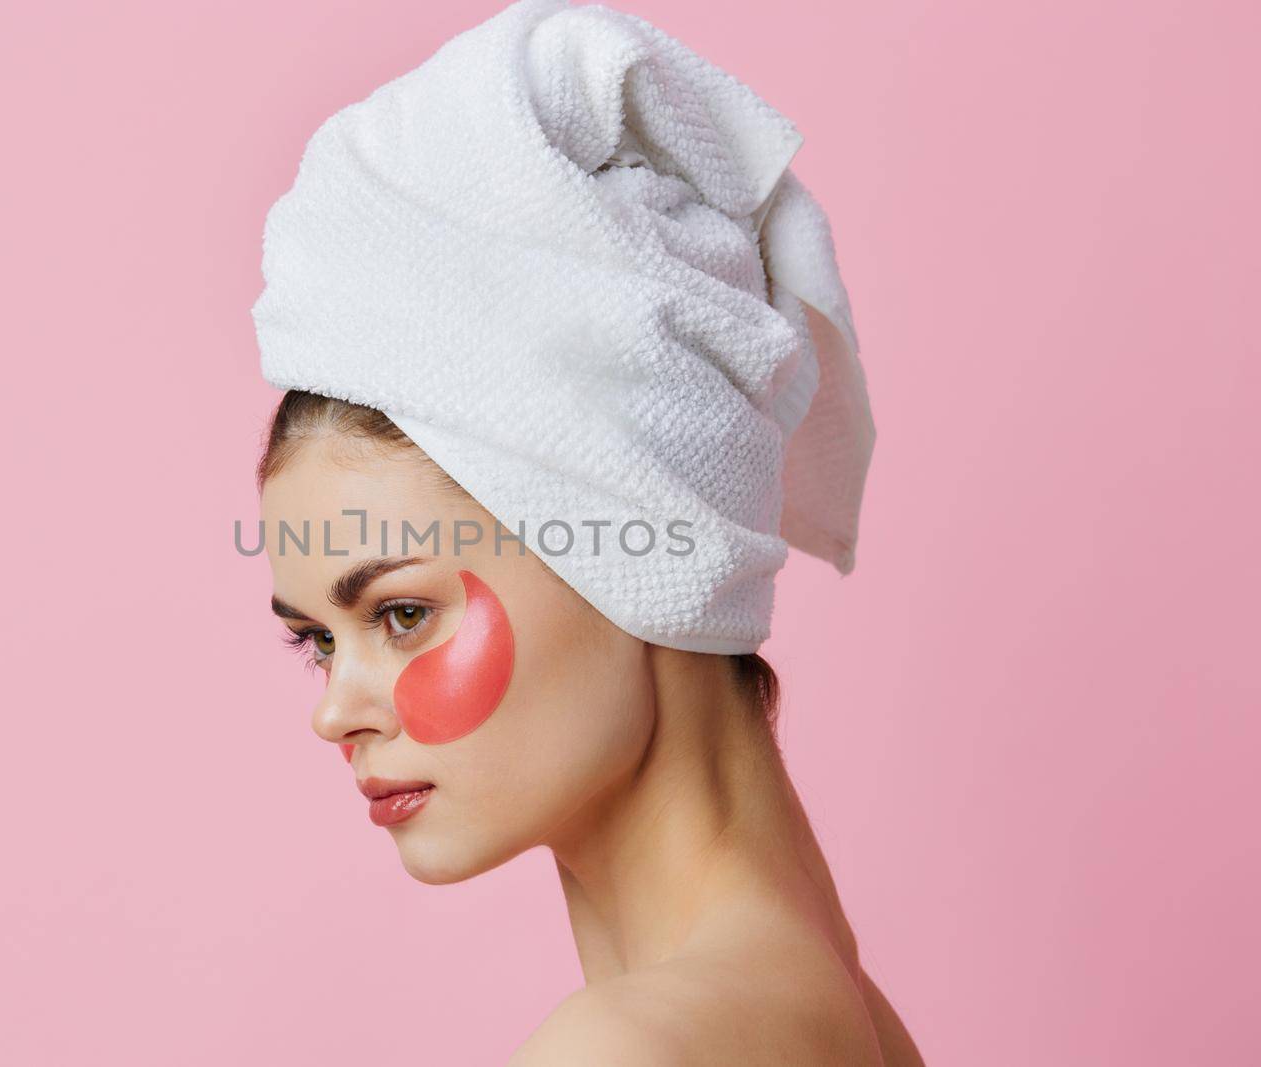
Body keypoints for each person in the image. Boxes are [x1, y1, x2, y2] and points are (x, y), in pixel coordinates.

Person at [249, 2, 922, 1060]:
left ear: (645, 549)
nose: (336, 710)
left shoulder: (634, 1045)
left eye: (404, 611)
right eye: (318, 639)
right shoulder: (836, 1014)